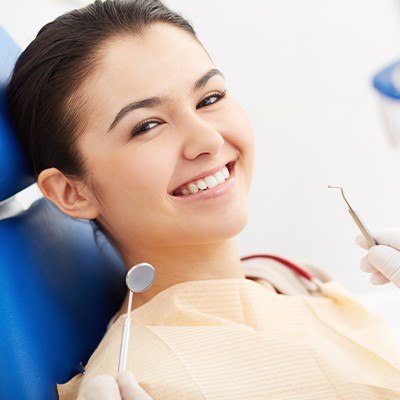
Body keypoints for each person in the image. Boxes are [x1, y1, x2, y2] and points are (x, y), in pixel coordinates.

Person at [6, 1, 400, 399]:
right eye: (146, 126)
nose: (209, 140)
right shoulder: (143, 382)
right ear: (72, 192)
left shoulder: (284, 277)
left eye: (209, 98)